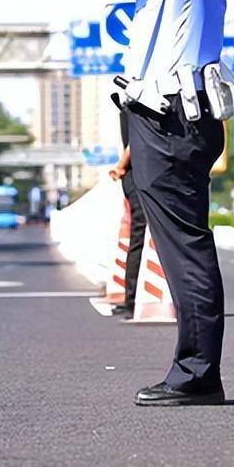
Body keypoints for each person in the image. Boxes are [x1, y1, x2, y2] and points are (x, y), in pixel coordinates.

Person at [83, 0, 231, 407]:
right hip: (148, 116)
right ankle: (195, 367)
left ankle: (198, 373)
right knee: (175, 247)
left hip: (177, 116)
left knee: (186, 246)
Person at [107, 113, 148, 319]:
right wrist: (122, 165)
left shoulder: (129, 102)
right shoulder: (141, 99)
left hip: (135, 173)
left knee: (138, 236)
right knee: (141, 235)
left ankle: (132, 299)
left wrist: (121, 166)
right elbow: (135, 142)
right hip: (140, 172)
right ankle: (132, 300)